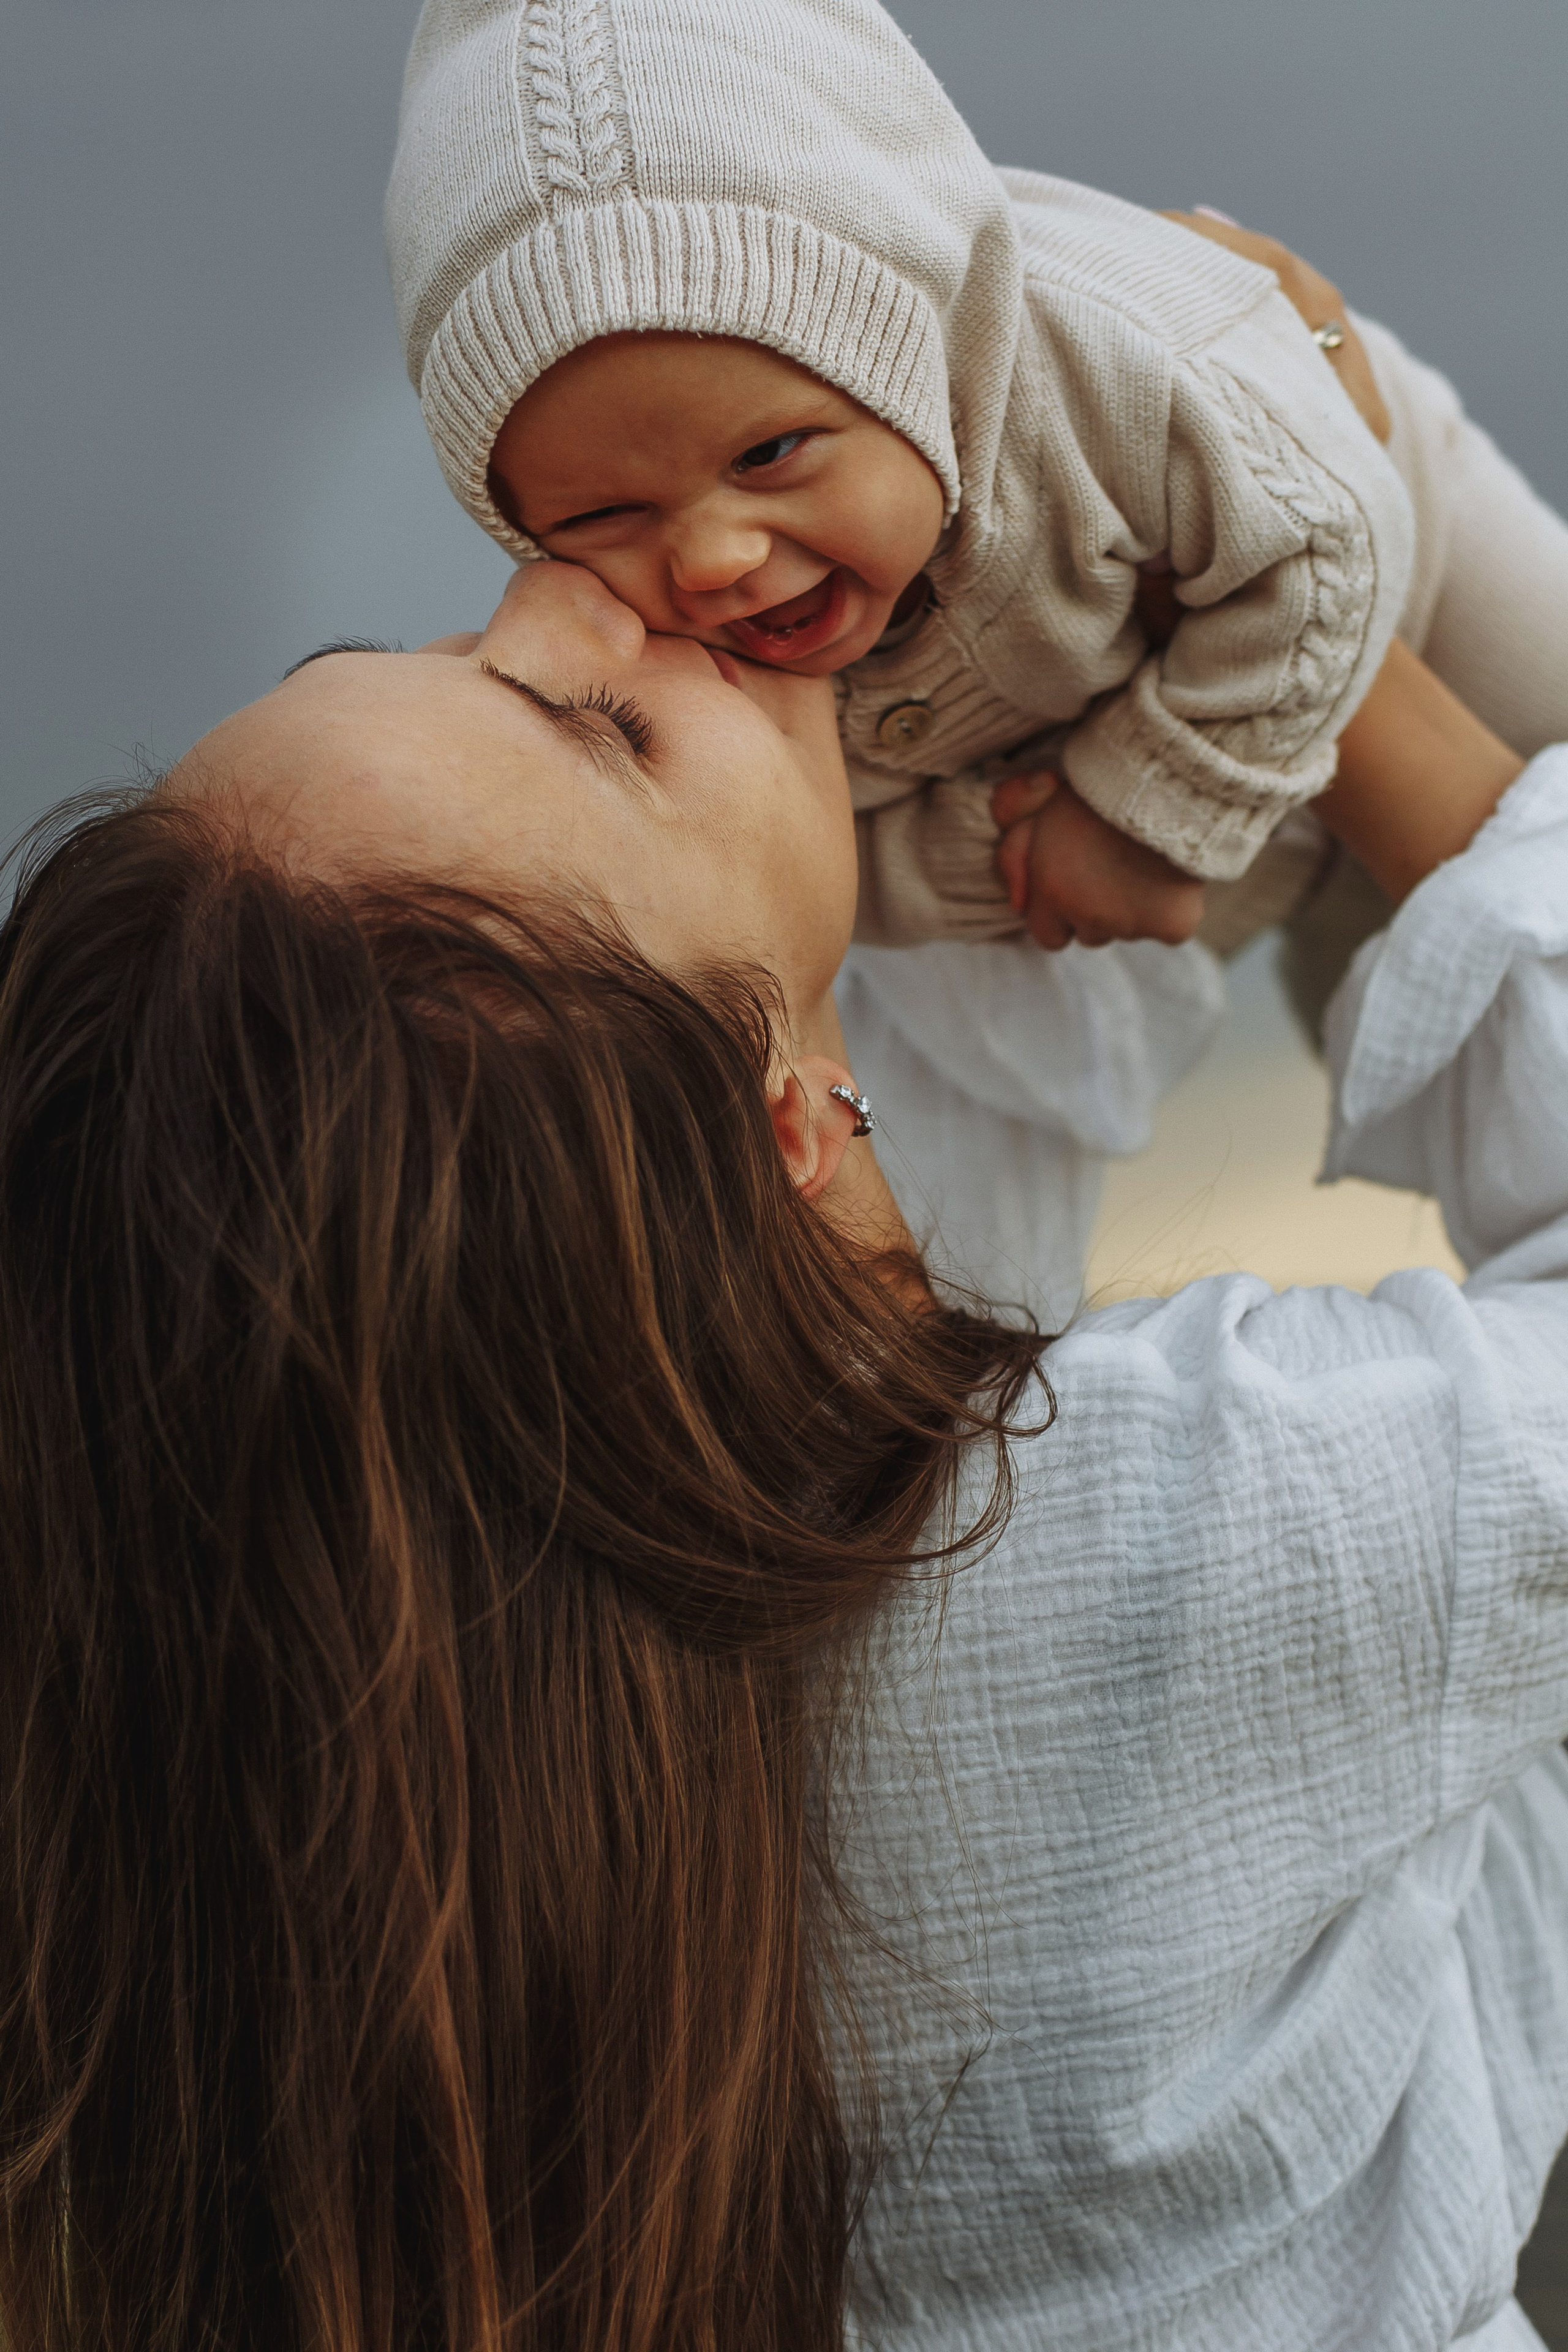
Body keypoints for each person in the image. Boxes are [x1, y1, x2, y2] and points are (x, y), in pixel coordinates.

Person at [2, 553, 1567, 2351]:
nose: (555, 590)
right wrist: (1300, 598)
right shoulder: (1142, 1529)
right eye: (595, 726)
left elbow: (939, 1149)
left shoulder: (414, 1828)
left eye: (401, 648)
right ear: (767, 1130)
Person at [384, 0, 1568, 976]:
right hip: (1168, 807)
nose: (713, 560)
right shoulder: (677, 658)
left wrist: (1151, 804)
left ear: (910, 359)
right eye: (602, 517)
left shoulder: (1129, 365)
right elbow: (804, 855)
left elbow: (1327, 537)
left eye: (768, 457)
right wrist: (1014, 842)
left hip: (1395, 556)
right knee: (1398, 986)